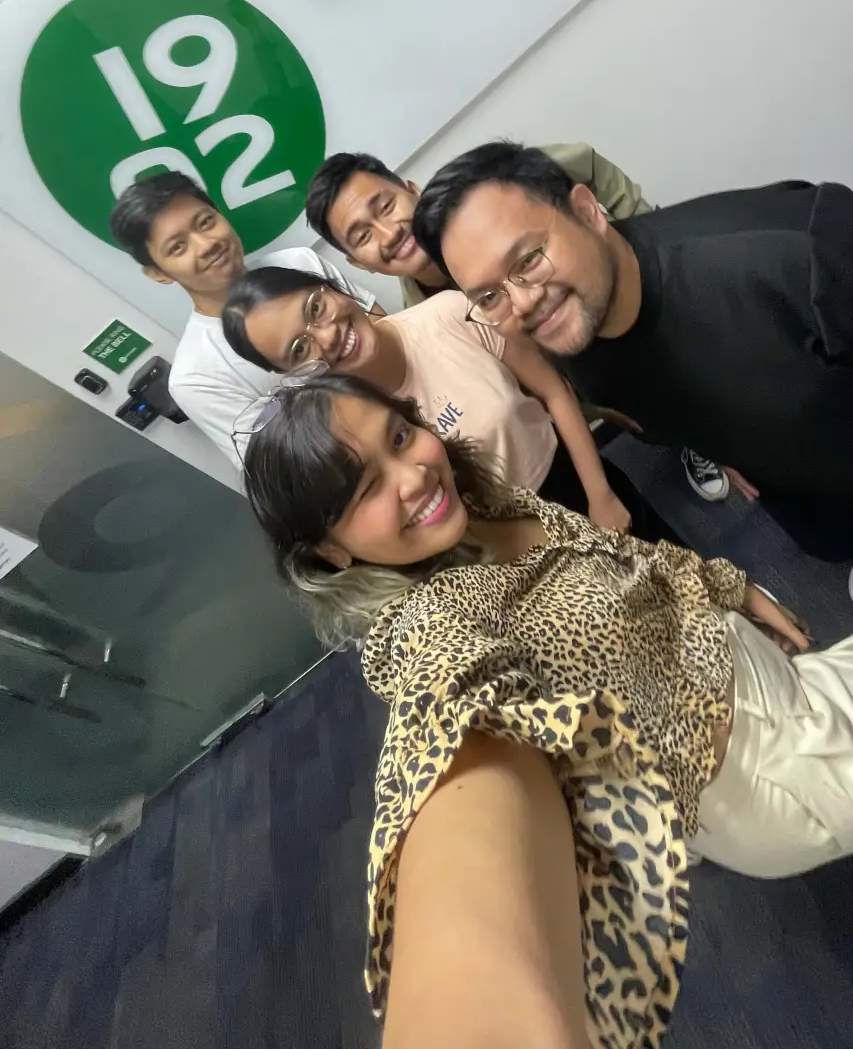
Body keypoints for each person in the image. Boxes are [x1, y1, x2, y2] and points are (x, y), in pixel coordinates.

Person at [240, 371, 853, 1048]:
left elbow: (623, 557)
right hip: (770, 770)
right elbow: (445, 728)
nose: (413, 476)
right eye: (365, 491)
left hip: (764, 679)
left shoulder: (483, 501)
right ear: (330, 551)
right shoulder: (428, 623)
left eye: (401, 437)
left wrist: (729, 589)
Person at [412, 141, 853, 564]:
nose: (523, 302)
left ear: (587, 212)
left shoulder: (801, 252)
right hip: (792, 482)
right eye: (490, 296)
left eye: (528, 260)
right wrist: (727, 444)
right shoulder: (564, 333)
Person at [305, 144, 729, 503]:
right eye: (363, 236)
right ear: (358, 264)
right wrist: (592, 405)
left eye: (386, 206)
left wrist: (638, 237)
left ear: (410, 189)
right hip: (575, 373)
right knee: (641, 411)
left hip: (605, 312)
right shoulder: (421, 320)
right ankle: (680, 435)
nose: (389, 233)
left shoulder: (488, 199)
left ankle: (709, 436)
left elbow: (584, 162)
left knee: (685, 374)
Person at [221, 266, 679, 538]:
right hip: (508, 548)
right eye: (299, 349)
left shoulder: (447, 314)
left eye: (315, 309)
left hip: (575, 479)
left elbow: (553, 392)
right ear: (292, 375)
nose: (327, 337)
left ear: (333, 288)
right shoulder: (347, 426)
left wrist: (601, 496)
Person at [109, 171, 378, 463]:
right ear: (158, 273)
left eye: (205, 222)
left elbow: (385, 325)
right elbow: (282, 462)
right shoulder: (195, 377)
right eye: (178, 247)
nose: (206, 245)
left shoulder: (298, 262)